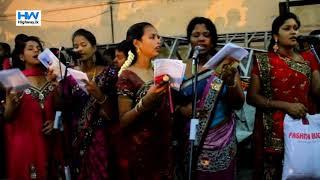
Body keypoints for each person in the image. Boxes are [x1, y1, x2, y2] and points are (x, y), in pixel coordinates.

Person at [246, 12, 320, 179]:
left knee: (305, 170)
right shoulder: (264, 61)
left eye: (295, 28)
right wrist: (285, 105)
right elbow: (252, 97)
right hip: (272, 130)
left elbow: (317, 91)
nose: (293, 31)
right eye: (287, 28)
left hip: (303, 129)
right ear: (275, 36)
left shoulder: (309, 59)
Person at [177, 17, 244, 180]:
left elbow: (239, 103)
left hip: (222, 136)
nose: (201, 38)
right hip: (190, 137)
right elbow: (171, 103)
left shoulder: (226, 66)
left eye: (206, 35)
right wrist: (181, 109)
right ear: (189, 40)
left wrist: (231, 84)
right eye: (195, 35)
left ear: (213, 40)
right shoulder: (180, 68)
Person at [116, 22, 175, 179]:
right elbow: (123, 121)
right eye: (152, 37)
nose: (158, 41)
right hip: (141, 150)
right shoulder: (126, 76)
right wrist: (144, 103)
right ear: (137, 43)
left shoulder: (159, 71)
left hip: (164, 144)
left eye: (158, 37)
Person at [60, 28, 118, 179]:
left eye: (83, 44)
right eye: (76, 45)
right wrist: (55, 85)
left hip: (101, 135)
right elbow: (63, 105)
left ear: (94, 47)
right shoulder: (69, 75)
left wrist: (99, 95)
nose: (79, 48)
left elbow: (114, 111)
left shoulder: (109, 72)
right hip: (76, 135)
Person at [3, 35, 64, 179]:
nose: (36, 50)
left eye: (39, 48)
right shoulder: (15, 78)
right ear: (21, 57)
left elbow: (61, 108)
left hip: (50, 141)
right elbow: (7, 117)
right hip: (25, 143)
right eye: (30, 49)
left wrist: (55, 124)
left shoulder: (52, 76)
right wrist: (11, 104)